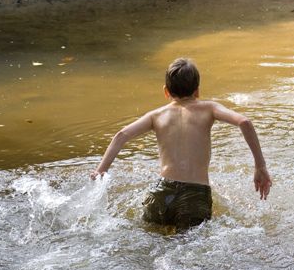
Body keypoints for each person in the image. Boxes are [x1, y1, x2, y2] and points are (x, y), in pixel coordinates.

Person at [90, 58, 272, 228]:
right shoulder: (209, 108)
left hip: (161, 193)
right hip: (195, 196)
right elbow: (244, 122)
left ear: (166, 91)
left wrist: (101, 170)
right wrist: (260, 166)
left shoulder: (156, 115)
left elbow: (121, 135)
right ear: (197, 90)